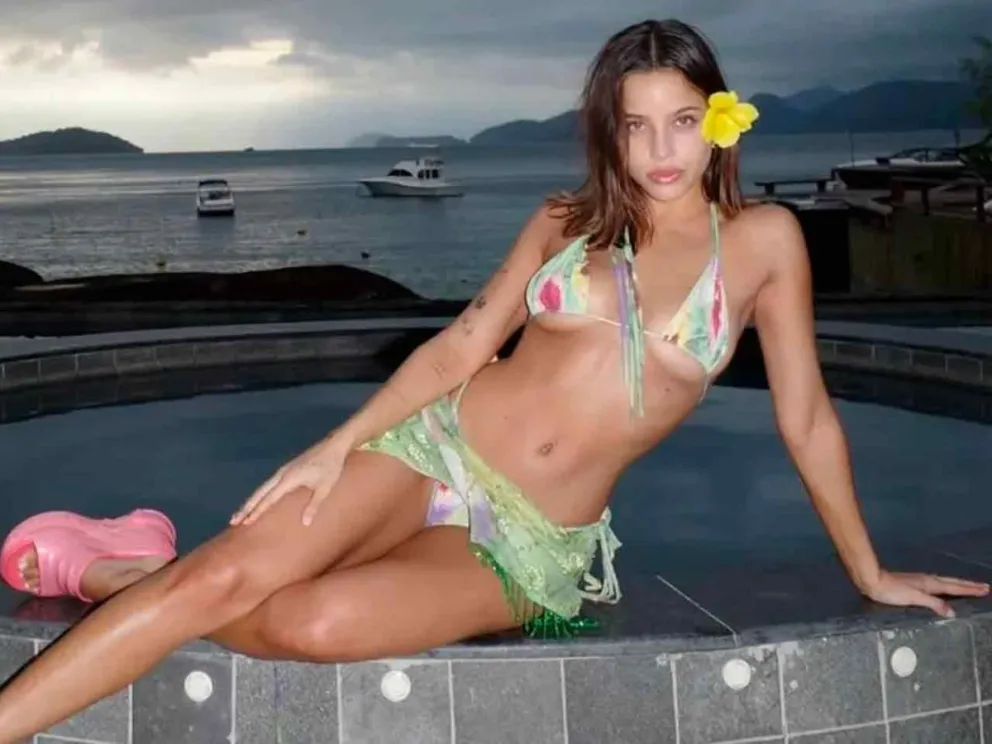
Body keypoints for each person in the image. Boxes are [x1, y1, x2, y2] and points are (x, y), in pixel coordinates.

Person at [0, 17, 986, 741]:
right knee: (223, 577)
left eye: (682, 121)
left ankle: (119, 570)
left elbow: (806, 419)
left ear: (718, 123)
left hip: (530, 544)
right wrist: (334, 448)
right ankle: (137, 595)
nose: (659, 151)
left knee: (309, 618)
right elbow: (458, 348)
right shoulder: (565, 221)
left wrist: (866, 571)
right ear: (608, 132)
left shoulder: (764, 242)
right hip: (432, 448)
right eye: (635, 126)